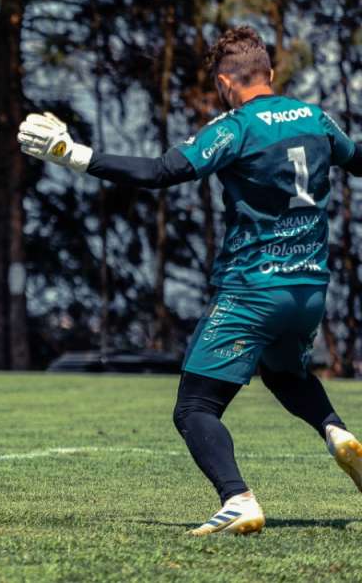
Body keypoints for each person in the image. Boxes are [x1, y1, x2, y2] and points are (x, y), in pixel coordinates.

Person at [18, 26, 362, 536]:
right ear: (270, 73)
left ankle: (238, 500)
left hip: (253, 291)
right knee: (286, 375)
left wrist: (74, 154)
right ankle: (334, 430)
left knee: (195, 407)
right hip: (310, 289)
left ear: (226, 82)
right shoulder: (315, 118)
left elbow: (162, 171)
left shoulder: (235, 127)